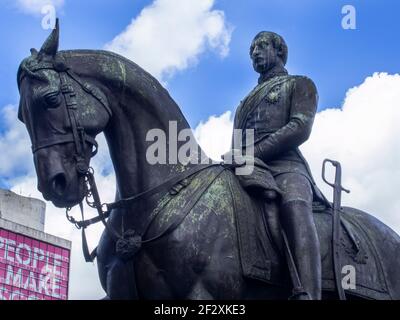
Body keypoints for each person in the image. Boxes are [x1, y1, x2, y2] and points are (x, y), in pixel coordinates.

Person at [230, 31, 324, 299]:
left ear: (280, 51)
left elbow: (299, 127)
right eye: (251, 51)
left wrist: (256, 152)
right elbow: (238, 144)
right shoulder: (244, 104)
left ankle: (308, 292)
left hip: (286, 167)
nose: (255, 53)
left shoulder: (300, 84)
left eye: (261, 47)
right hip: (247, 168)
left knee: (294, 206)